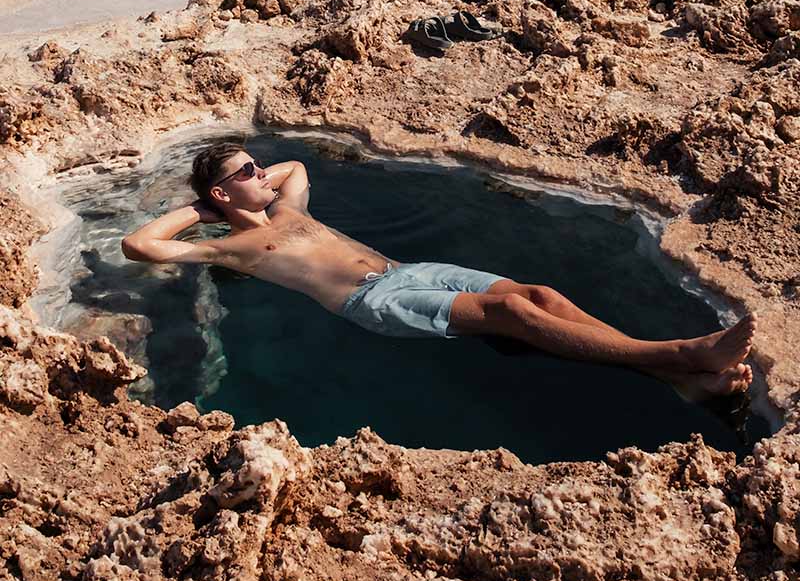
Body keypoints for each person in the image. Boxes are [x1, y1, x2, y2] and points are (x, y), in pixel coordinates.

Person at [122, 141, 755, 399]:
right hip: (373, 302)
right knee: (510, 315)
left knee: (539, 293)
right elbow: (141, 245)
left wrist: (245, 182)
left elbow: (296, 171)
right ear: (223, 196)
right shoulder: (229, 248)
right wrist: (202, 207)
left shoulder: (286, 203)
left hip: (413, 268)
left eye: (257, 166)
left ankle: (675, 376)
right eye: (246, 173)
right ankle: (680, 352)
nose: (263, 173)